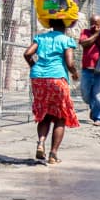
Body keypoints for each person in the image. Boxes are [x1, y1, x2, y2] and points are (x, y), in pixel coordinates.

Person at [24, 13, 80, 164]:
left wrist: (34, 66)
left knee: (44, 114)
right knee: (60, 117)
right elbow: (69, 64)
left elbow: (27, 53)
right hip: (57, 79)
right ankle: (53, 154)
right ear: (66, 25)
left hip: (39, 79)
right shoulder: (66, 40)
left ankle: (41, 142)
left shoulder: (41, 38)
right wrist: (75, 73)